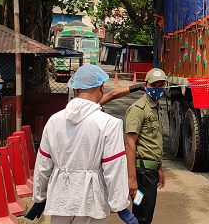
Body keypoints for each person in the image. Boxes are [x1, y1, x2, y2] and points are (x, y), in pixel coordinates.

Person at [25, 65, 138, 224]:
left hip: (60, 199)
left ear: (75, 90)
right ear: (101, 87)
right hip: (91, 200)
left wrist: (39, 198)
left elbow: (43, 163)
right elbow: (113, 167)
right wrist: (120, 206)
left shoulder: (54, 120)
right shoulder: (109, 124)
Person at [125, 68, 167, 224]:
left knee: (145, 214)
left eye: (161, 85)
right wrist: (132, 179)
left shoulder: (155, 108)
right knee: (141, 215)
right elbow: (130, 143)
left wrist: (160, 169)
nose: (157, 88)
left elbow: (154, 142)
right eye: (153, 85)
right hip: (142, 173)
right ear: (145, 85)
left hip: (151, 171)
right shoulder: (138, 109)